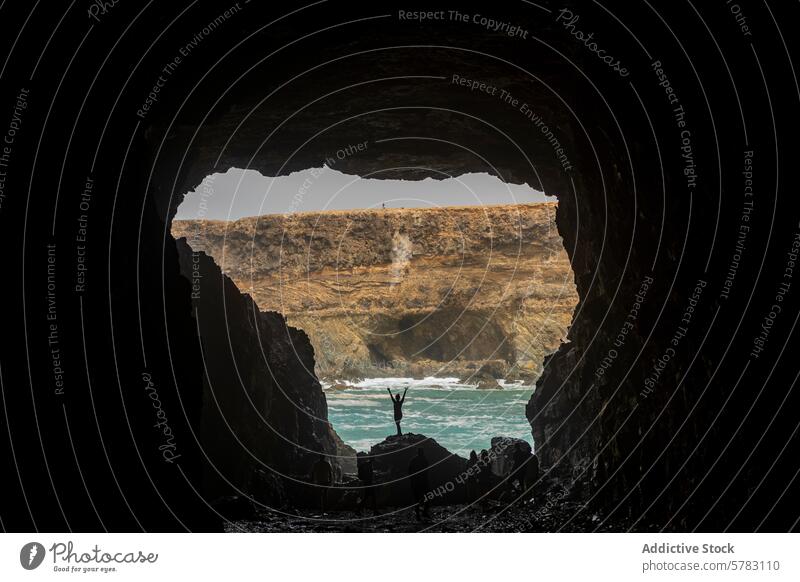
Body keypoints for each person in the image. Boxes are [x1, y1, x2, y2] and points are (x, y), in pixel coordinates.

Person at [408, 448, 431, 521]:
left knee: (417, 499)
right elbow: (427, 470)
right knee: (427, 497)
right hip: (422, 482)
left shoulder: (413, 460)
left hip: (417, 482)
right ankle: (422, 513)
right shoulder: (424, 460)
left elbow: (410, 471)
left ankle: (419, 514)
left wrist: (412, 480)